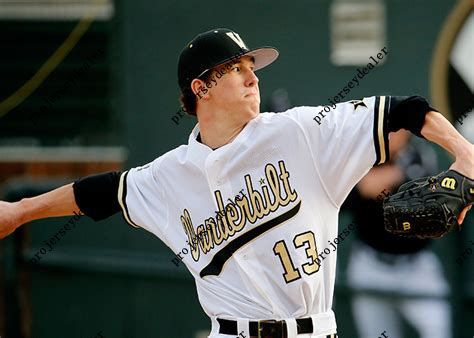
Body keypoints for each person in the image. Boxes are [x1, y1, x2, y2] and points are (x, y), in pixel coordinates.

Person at [0, 28, 472, 338]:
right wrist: (19, 212)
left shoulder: (302, 132)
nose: (252, 78)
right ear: (200, 89)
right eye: (235, 69)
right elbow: (99, 193)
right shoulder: (169, 174)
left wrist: (467, 160)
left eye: (253, 69)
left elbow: (405, 109)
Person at [342, 130, 452, 338]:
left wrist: (393, 174)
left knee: (438, 330)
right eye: (386, 130)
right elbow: (366, 187)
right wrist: (394, 173)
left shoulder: (419, 155)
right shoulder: (361, 156)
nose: (391, 136)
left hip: (416, 269)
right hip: (370, 265)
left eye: (398, 131)